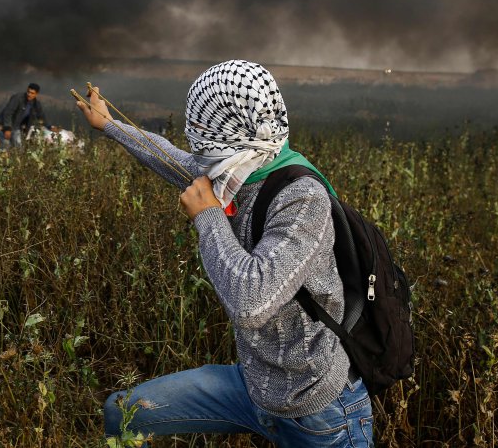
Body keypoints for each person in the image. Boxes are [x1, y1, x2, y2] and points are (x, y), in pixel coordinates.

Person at [75, 60, 373, 447]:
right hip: (253, 386)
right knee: (121, 414)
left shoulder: (302, 199)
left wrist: (209, 217)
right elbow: (169, 157)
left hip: (319, 412)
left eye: (201, 125)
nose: (194, 135)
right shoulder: (233, 174)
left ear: (227, 129)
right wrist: (109, 124)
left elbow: (250, 304)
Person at [0, 83, 54, 149]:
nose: (29, 94)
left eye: (32, 93)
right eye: (28, 92)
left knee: (18, 147)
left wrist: (49, 126)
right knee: (5, 146)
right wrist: (7, 128)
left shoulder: (36, 104)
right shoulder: (18, 98)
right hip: (5, 125)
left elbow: (41, 116)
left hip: (16, 126)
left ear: (36, 94)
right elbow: (8, 113)